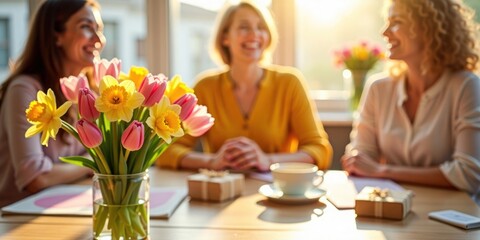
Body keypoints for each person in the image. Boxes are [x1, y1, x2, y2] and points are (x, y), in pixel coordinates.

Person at [157, 0, 332, 172]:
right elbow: (165, 152)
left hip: (278, 194)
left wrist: (267, 160)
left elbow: (319, 150)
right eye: (244, 27)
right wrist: (212, 162)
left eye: (261, 27)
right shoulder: (205, 87)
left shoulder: (289, 83)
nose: (255, 34)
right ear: (225, 37)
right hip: (220, 195)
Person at [342, 0, 480, 203]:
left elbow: (467, 175)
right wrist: (362, 163)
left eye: (396, 21)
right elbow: (360, 158)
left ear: (428, 27)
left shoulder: (466, 86)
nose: (385, 32)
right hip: (394, 210)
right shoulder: (378, 89)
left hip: (452, 216)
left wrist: (383, 170)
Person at [0, 0, 105, 207]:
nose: (99, 39)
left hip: (65, 206)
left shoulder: (88, 92)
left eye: (99, 29)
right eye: (86, 27)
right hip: (18, 217)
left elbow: (100, 148)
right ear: (56, 35)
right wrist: (95, 163)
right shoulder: (25, 90)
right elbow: (35, 178)